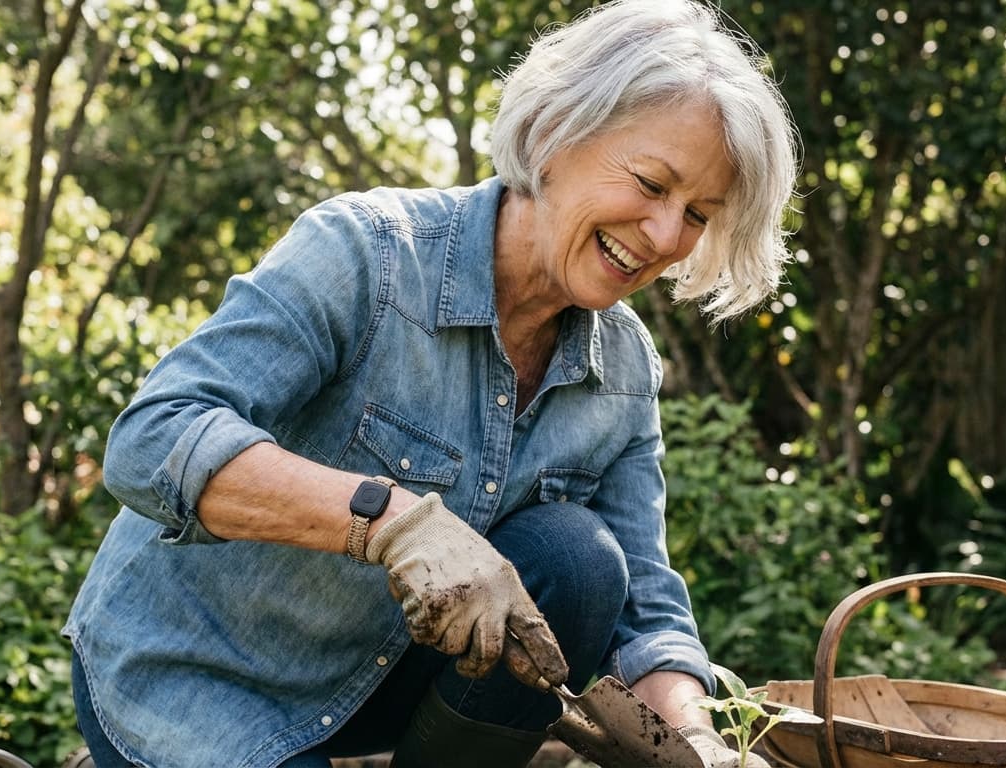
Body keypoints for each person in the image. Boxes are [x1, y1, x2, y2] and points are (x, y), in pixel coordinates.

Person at [62, 0, 799, 765]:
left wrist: (699, 742)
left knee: (579, 559)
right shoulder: (366, 255)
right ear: (554, 132)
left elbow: (646, 611)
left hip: (375, 689)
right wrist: (389, 523)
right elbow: (153, 439)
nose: (666, 236)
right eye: (650, 183)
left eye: (698, 215)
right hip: (192, 673)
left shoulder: (623, 369)